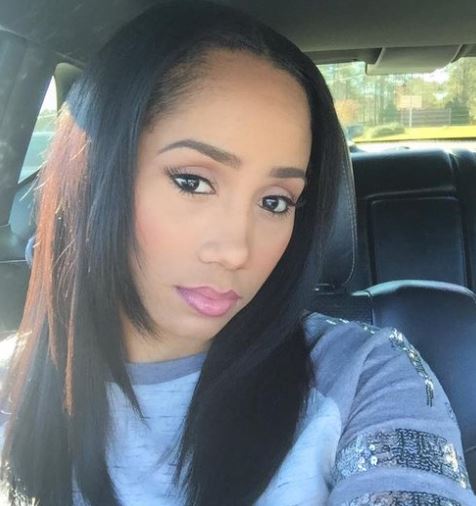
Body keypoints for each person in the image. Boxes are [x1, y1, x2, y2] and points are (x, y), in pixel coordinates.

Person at [0, 1, 474, 505]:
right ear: (95, 175)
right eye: (192, 181)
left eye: (275, 202)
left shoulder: (365, 376)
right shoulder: (12, 387)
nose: (235, 251)